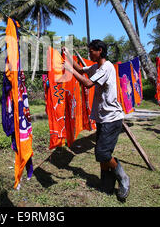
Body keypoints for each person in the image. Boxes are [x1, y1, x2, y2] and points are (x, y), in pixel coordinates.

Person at [62, 40, 130, 201]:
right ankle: (107, 183)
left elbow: (87, 83)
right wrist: (67, 54)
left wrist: (68, 69)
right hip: (102, 118)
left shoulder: (106, 67)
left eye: (91, 51)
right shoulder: (95, 67)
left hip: (112, 118)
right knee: (101, 154)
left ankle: (123, 177)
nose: (89, 54)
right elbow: (80, 69)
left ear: (100, 51)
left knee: (102, 152)